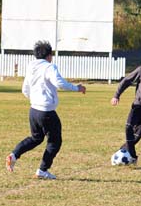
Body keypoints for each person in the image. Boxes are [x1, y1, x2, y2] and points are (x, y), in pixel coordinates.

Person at [5, 40, 86, 179]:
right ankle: (42, 170)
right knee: (55, 141)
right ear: (49, 55)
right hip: (46, 111)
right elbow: (59, 83)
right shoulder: (49, 67)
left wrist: (34, 99)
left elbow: (25, 88)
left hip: (33, 110)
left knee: (36, 138)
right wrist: (77, 88)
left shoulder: (31, 66)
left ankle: (14, 155)